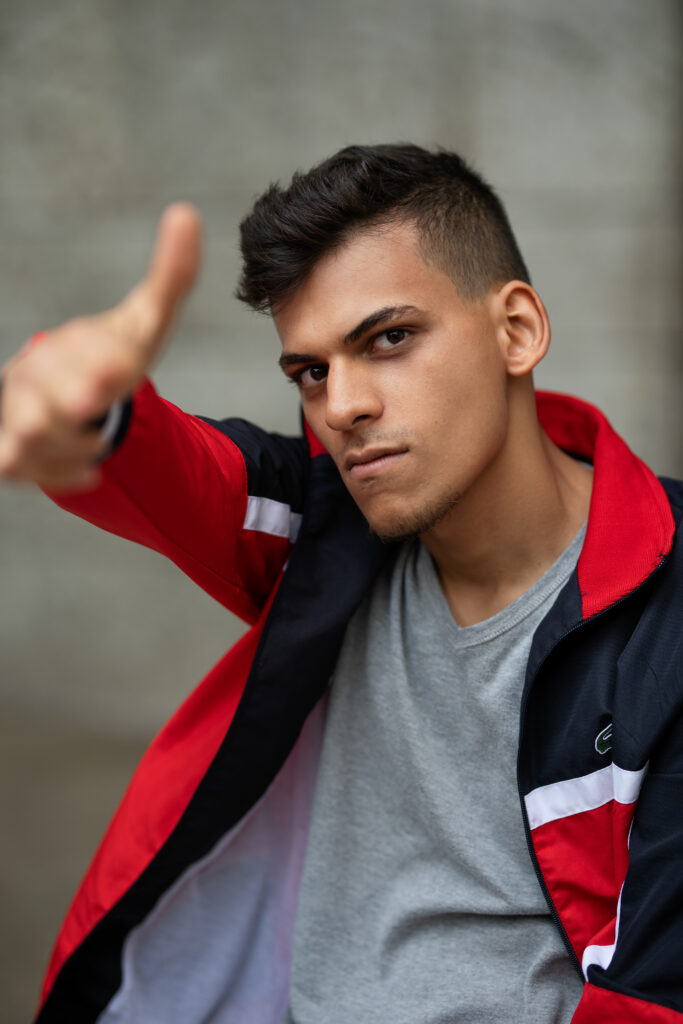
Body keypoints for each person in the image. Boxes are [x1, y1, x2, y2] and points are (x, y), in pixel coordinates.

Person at [1, 145, 682, 1024]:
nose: (342, 406)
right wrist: (83, 405)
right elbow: (170, 468)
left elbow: (650, 1000)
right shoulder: (327, 532)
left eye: (388, 339)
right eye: (311, 371)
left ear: (516, 330)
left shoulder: (664, 612)